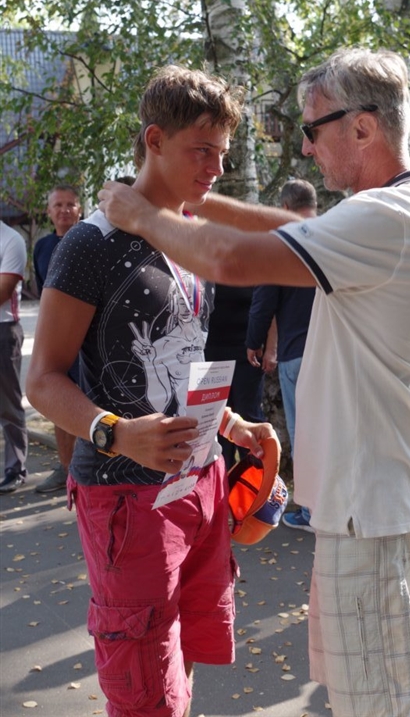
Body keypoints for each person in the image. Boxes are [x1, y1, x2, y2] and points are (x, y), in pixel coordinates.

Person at [98, 46, 410, 717]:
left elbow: (232, 259)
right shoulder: (402, 207)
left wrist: (142, 213)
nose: (306, 146)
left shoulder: (389, 217)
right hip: (374, 496)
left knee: (378, 703)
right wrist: (200, 200)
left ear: (362, 127)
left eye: (314, 128)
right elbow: (300, 228)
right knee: (370, 690)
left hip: (371, 502)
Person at [26, 65, 274, 717]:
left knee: (181, 660)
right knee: (143, 687)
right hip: (123, 495)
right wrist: (114, 432)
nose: (217, 168)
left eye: (223, 153)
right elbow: (42, 378)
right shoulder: (91, 244)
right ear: (155, 140)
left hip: (199, 481)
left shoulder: (185, 237)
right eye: (203, 150)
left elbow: (178, 365)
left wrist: (229, 423)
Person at [246, 179, 316, 531]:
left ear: (285, 207)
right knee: (333, 430)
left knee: (304, 433)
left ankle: (311, 511)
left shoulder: (281, 241)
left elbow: (264, 300)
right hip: (334, 354)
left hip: (296, 352)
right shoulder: (333, 234)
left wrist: (254, 341)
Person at [33, 184, 82, 493]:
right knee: (59, 405)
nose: (64, 210)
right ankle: (65, 469)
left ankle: (88, 472)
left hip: (88, 339)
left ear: (80, 209)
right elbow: (43, 295)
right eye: (58, 205)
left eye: (70, 204)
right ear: (49, 211)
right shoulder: (42, 247)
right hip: (55, 337)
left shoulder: (91, 239)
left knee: (89, 404)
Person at [205, 284, 267, 469]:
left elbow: (269, 306)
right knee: (217, 421)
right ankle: (224, 478)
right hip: (211, 354)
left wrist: (271, 348)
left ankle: (256, 476)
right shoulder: (204, 271)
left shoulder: (251, 270)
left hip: (248, 354)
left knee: (249, 417)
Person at [0, 220, 29, 493]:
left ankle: (15, 468)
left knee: (7, 404)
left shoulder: (11, 239)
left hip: (3, 330)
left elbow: (3, 289)